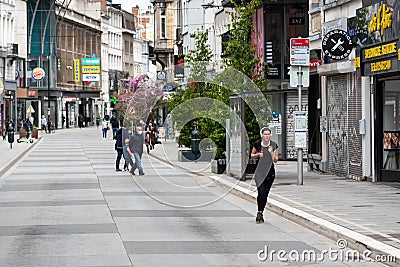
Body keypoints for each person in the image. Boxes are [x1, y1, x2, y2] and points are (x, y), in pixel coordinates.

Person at [251, 127, 278, 223]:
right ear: (262, 135)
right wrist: (258, 155)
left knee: (265, 193)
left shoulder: (274, 145)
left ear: (270, 135)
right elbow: (252, 155)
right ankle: (259, 212)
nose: (267, 136)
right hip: (259, 172)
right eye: (265, 134)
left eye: (268, 134)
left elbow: (275, 160)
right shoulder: (258, 144)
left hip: (270, 172)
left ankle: (261, 212)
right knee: (261, 191)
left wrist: (271, 153)